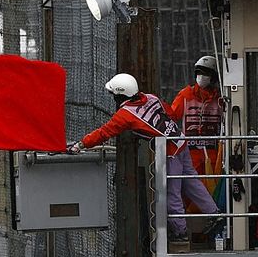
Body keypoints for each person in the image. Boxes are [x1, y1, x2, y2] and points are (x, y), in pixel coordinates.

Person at [70, 73, 223, 244]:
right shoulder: (151, 97)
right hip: (181, 141)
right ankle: (214, 212)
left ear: (120, 95)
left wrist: (81, 144)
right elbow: (171, 113)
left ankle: (180, 233)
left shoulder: (125, 115)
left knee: (172, 193)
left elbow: (103, 133)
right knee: (191, 181)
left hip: (169, 151)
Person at [170, 56, 224, 189]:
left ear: (213, 77)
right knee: (190, 188)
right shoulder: (185, 96)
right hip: (190, 154)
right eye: (199, 73)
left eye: (205, 73)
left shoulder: (220, 99)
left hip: (213, 154)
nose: (201, 76)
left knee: (213, 189)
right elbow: (171, 118)